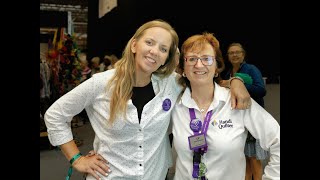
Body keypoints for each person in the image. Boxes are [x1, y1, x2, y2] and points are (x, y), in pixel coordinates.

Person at [44, 19, 251, 180]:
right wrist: (76, 158)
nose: (154, 51)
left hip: (155, 175)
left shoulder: (171, 83)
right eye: (149, 43)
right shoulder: (101, 83)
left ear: (166, 58)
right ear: (134, 45)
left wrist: (236, 81)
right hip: (109, 176)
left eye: (163, 49)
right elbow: (55, 115)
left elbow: (203, 78)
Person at [171, 32, 280, 180]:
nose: (199, 64)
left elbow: (277, 139)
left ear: (216, 67)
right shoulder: (175, 105)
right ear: (183, 69)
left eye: (207, 59)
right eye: (191, 59)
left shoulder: (236, 101)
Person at [219, 42, 268, 180]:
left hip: (253, 119)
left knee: (254, 158)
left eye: (237, 52)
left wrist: (238, 84)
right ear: (227, 56)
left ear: (243, 54)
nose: (234, 55)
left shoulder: (251, 69)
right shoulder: (228, 73)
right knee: (244, 157)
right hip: (237, 119)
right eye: (231, 53)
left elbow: (261, 90)